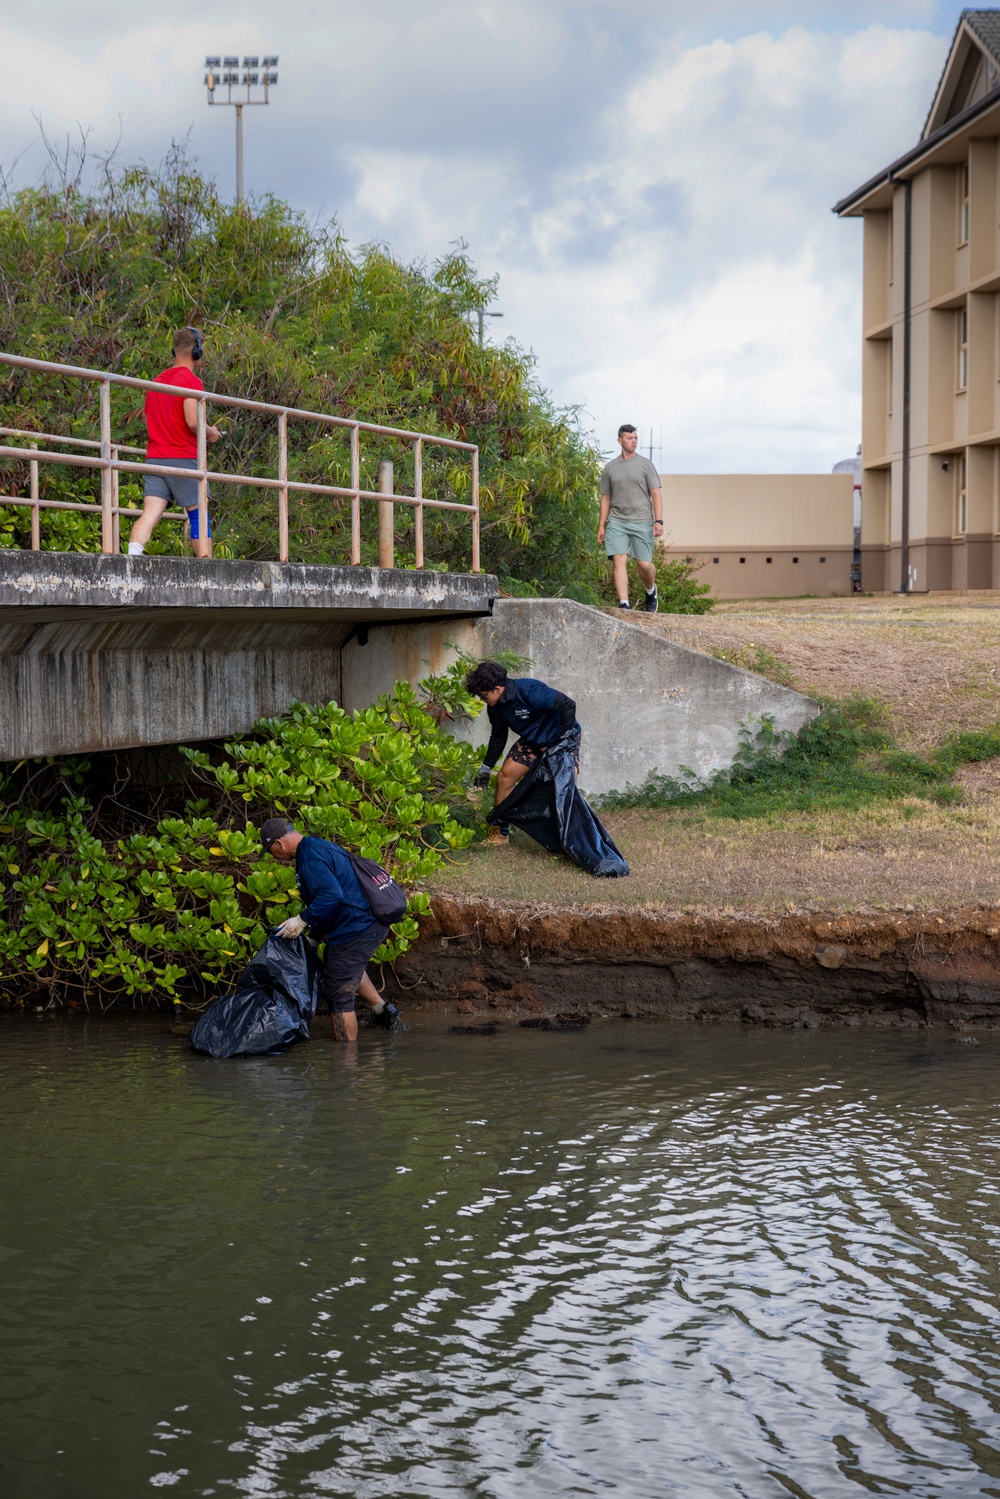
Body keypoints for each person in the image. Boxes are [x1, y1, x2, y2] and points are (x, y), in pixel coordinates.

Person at [260, 817, 402, 1042]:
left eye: (270, 852)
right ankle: (383, 1011)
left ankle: (346, 1063)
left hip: (361, 924)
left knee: (338, 989)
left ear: (278, 843)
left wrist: (301, 920)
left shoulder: (310, 858)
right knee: (342, 964)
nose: (273, 857)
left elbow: (331, 895)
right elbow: (330, 898)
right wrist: (314, 938)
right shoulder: (317, 846)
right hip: (362, 921)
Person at [128, 327, 222, 559]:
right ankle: (206, 568)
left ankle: (131, 559)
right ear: (197, 351)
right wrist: (211, 433)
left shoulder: (156, 382)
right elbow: (192, 422)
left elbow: (149, 421)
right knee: (198, 515)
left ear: (175, 349)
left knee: (150, 514)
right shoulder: (191, 381)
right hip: (183, 458)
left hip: (156, 458)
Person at [466, 661, 579, 847]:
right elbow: (498, 737)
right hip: (533, 741)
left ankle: (570, 839)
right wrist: (485, 768)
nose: (481, 699)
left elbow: (567, 705)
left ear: (497, 688)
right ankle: (499, 834)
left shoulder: (530, 691)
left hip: (560, 738)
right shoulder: (494, 707)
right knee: (504, 777)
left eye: (483, 695)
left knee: (563, 785)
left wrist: (565, 741)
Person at [597, 424, 664, 612]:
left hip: (642, 520)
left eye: (635, 438)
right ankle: (624, 604)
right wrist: (601, 526)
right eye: (629, 438)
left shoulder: (645, 465)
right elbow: (606, 498)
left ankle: (650, 590)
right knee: (619, 558)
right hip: (617, 521)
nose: (633, 441)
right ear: (620, 441)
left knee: (644, 564)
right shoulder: (610, 468)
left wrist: (658, 521)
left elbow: (656, 494)